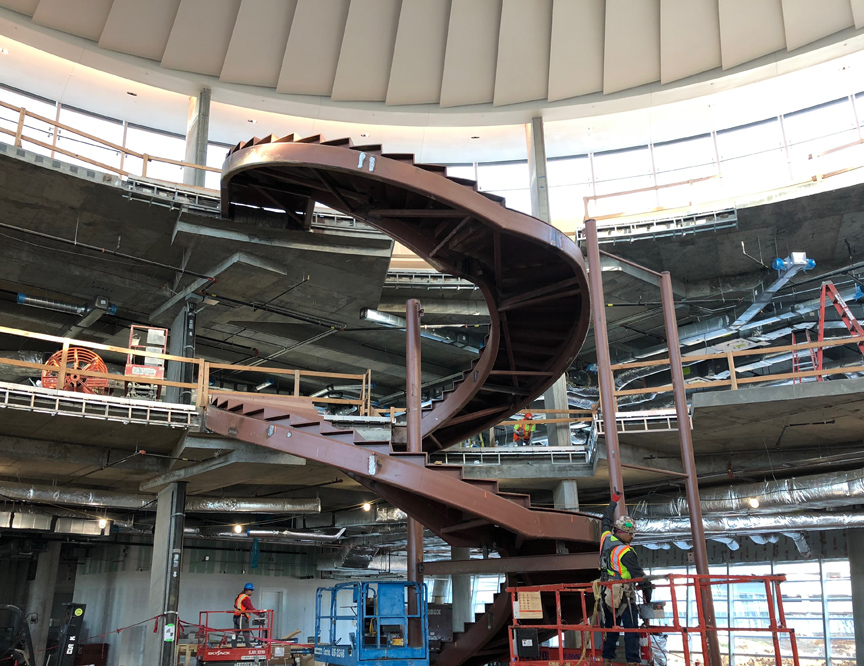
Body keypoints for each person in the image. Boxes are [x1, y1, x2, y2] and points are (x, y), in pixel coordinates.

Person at [598, 491, 653, 666]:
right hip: (623, 594)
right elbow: (639, 576)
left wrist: (613, 502)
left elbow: (605, 520)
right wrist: (648, 594)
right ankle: (633, 661)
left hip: (607, 592)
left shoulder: (606, 539)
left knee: (611, 628)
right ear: (621, 532)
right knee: (631, 629)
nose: (632, 537)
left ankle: (607, 659)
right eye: (630, 534)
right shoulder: (626, 552)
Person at [232, 583, 261, 648]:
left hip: (236, 616)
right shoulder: (245, 598)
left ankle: (233, 646)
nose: (252, 592)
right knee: (246, 632)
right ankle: (248, 646)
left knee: (235, 632)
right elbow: (250, 608)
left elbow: (236, 605)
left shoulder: (239, 596)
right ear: (248, 590)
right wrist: (259, 613)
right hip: (242, 617)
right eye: (251, 591)